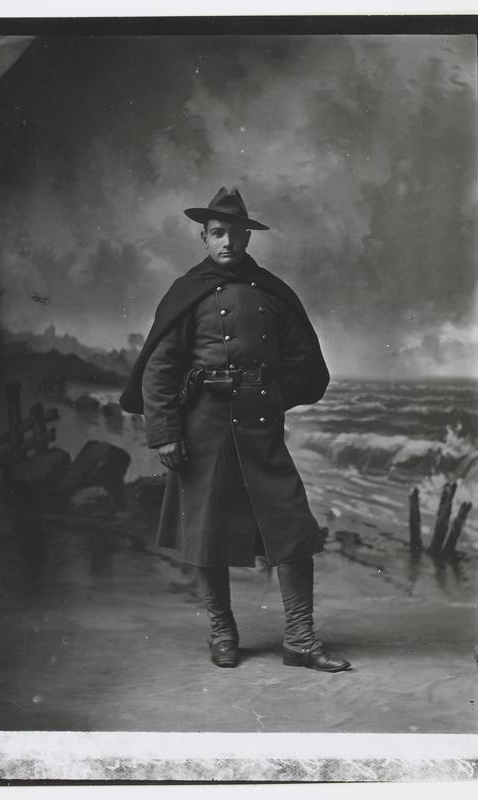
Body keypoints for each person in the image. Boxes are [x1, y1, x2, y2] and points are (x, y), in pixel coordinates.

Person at [120, 186, 351, 672]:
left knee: (291, 528)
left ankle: (300, 639)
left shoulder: (271, 292)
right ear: (203, 238)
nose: (227, 242)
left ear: (248, 238)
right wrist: (165, 432)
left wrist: (272, 394)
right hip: (203, 427)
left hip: (260, 425)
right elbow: (159, 370)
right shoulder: (187, 292)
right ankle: (222, 631)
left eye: (235, 233)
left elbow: (306, 365)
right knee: (206, 533)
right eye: (217, 233)